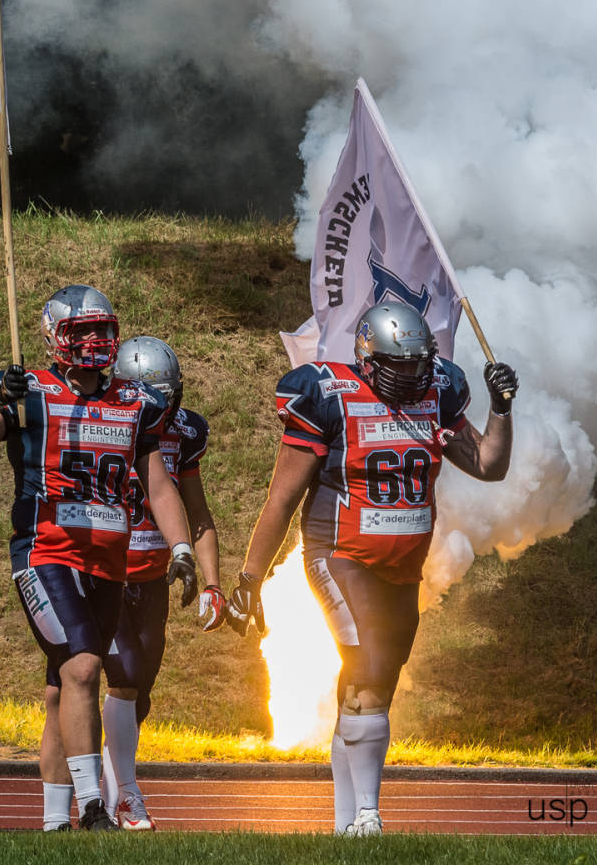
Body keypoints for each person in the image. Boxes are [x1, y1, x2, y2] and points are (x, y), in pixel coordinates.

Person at [226, 302, 518, 837]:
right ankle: (368, 815)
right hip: (339, 554)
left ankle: (344, 828)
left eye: (418, 363)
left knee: (367, 683)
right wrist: (250, 578)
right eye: (398, 364)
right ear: (366, 356)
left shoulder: (437, 394)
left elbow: (489, 467)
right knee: (370, 672)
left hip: (403, 567)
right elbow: (282, 497)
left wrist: (500, 407)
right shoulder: (327, 397)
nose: (411, 374)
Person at [0, 285, 198, 833]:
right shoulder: (33, 391)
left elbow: (157, 484)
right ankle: (91, 806)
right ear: (53, 336)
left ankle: (52, 825)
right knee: (85, 666)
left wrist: (180, 546)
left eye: (101, 330)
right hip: (46, 551)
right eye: (79, 331)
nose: (93, 341)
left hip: (108, 561)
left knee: (64, 686)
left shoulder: (135, 402)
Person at [101, 335, 224, 830]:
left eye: (169, 398)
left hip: (153, 575)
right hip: (101, 575)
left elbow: (197, 512)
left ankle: (110, 786)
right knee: (123, 679)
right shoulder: (99, 422)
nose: (163, 410)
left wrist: (212, 580)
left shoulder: (181, 433)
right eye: (154, 399)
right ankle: (117, 797)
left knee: (139, 690)